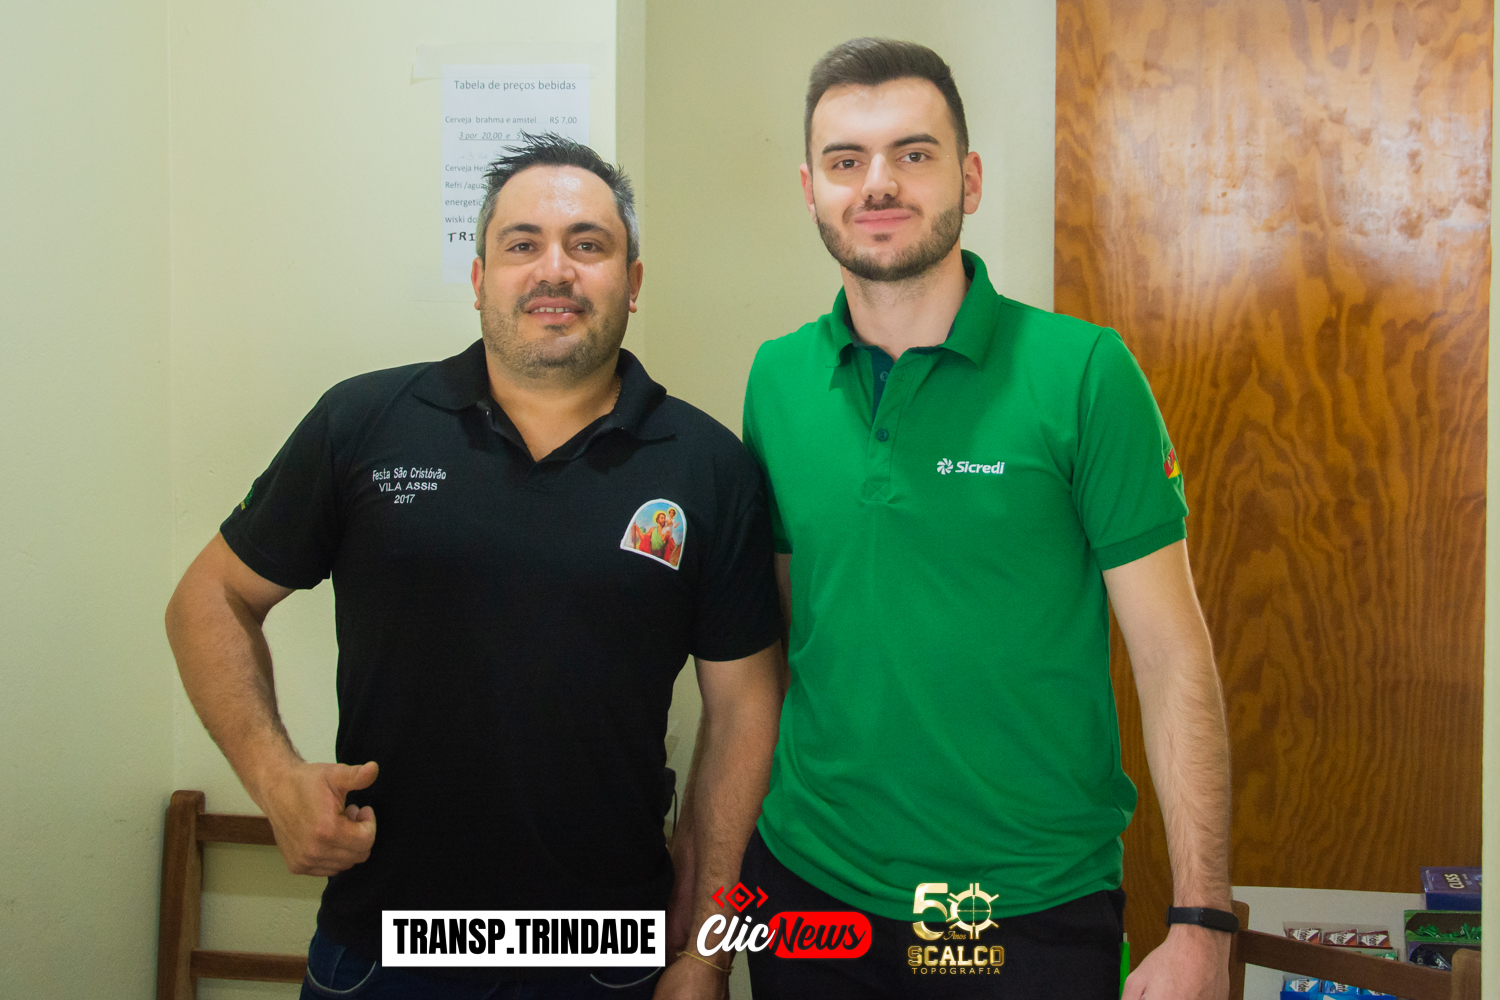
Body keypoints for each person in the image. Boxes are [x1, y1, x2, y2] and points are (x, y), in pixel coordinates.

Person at [165, 134, 781, 1000]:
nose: (555, 269)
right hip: (385, 950)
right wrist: (275, 780)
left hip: (606, 955)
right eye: (523, 244)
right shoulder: (364, 423)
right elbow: (211, 597)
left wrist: (707, 951)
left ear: (633, 282)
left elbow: (745, 709)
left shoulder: (709, 468)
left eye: (589, 244)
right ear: (480, 276)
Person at [738, 39, 1233, 1000]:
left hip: (1023, 906)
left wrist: (1202, 920)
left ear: (967, 177)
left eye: (913, 153)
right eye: (846, 160)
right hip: (810, 888)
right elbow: (788, 643)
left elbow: (1173, 658)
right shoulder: (777, 379)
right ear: (811, 189)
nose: (878, 183)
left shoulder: (1083, 373)